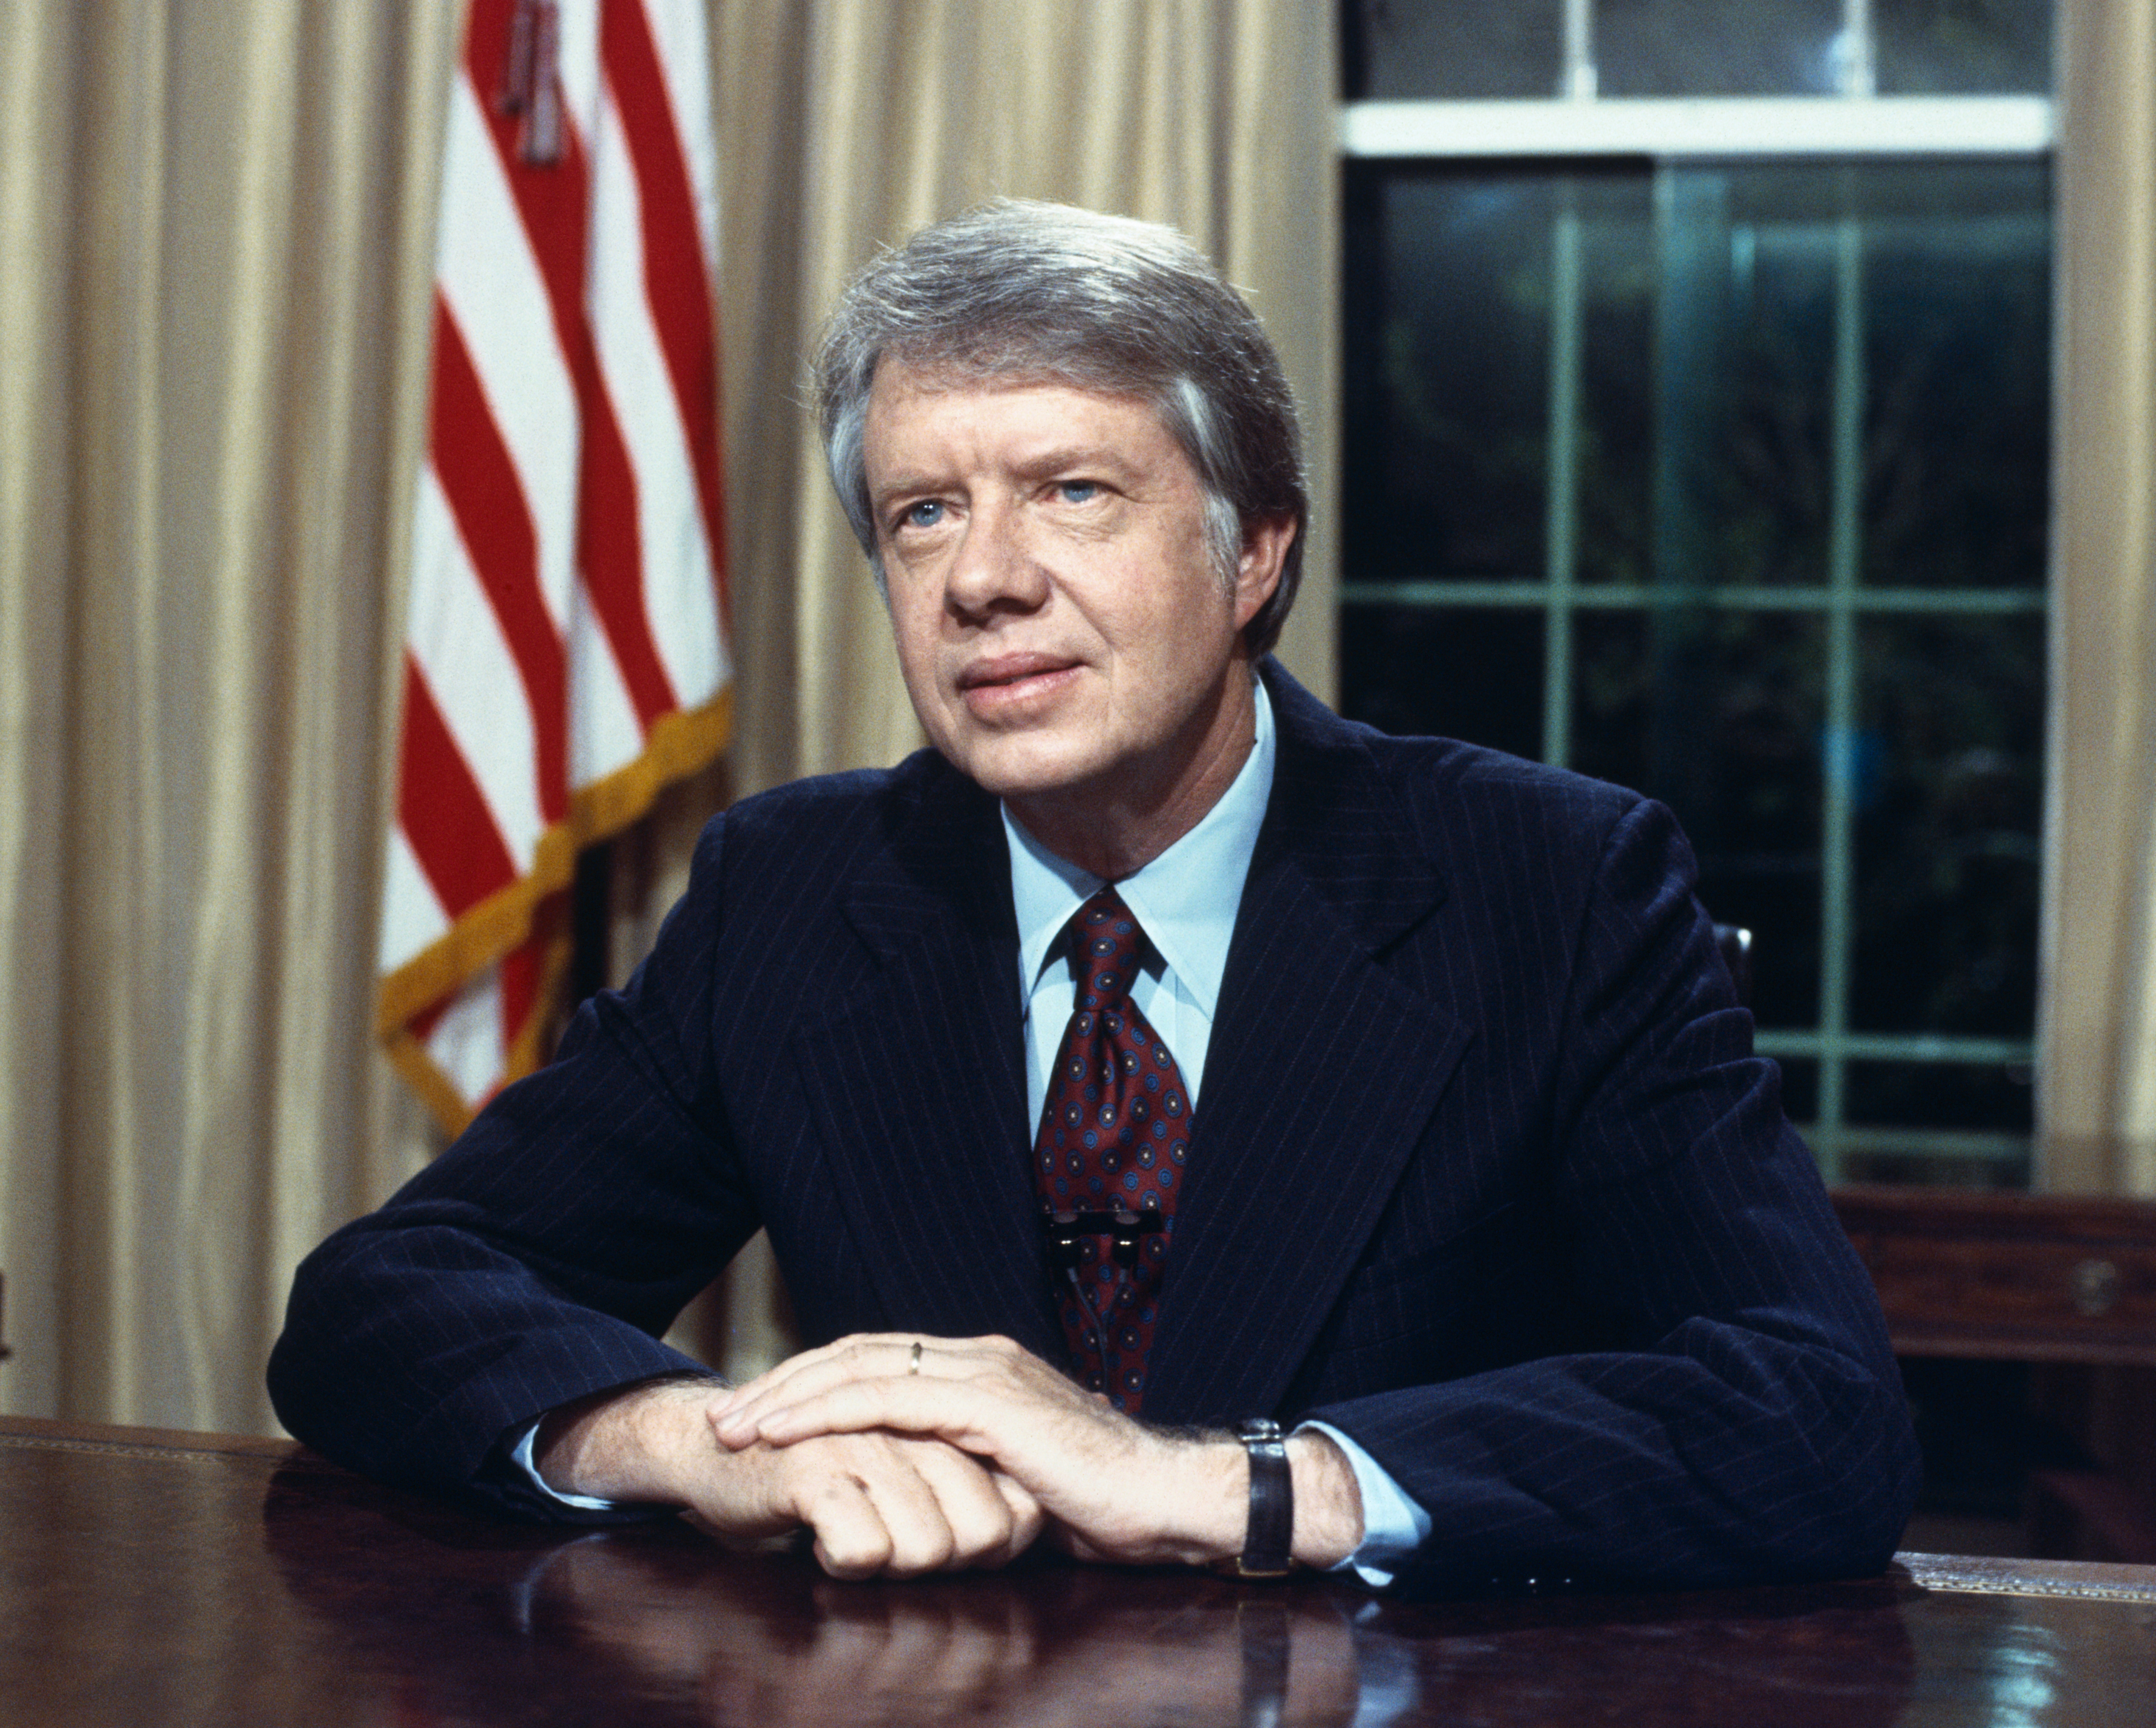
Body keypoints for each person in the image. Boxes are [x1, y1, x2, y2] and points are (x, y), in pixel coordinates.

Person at [271, 200, 1918, 1590]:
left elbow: (1814, 1407)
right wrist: (700, 1440)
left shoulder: (1548, 886)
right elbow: (381, 1302)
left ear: (1252, 550)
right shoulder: (796, 886)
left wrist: (1233, 1486)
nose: (983, 576)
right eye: (924, 514)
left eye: (1072, 491)